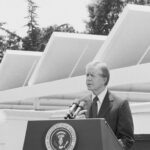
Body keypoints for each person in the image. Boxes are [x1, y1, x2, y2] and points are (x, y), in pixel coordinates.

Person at [70, 61, 135, 150]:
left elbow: (127, 140)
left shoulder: (120, 104)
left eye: (92, 75)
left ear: (104, 79)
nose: (88, 79)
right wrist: (76, 124)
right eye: (87, 75)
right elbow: (71, 136)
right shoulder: (80, 104)